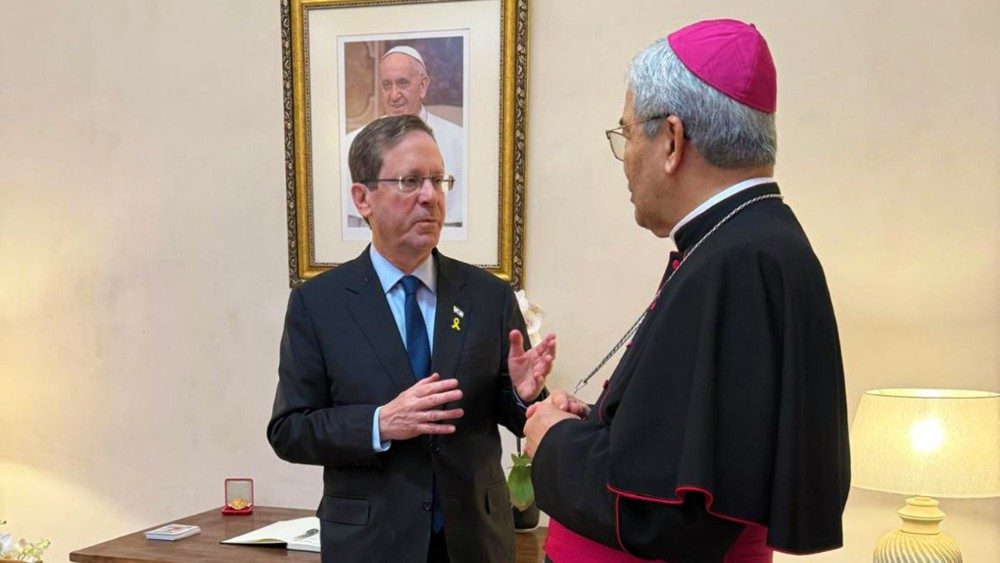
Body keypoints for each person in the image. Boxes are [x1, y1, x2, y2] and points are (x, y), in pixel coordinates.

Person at [523, 19, 850, 563]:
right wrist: (601, 423)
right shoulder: (745, 242)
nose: (625, 158)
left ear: (672, 141)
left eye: (627, 134)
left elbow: (667, 518)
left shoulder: (737, 263)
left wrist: (554, 440)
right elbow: (693, 446)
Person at [270, 114, 555, 562]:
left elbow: (519, 416)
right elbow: (290, 430)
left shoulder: (488, 296)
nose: (430, 196)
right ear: (363, 198)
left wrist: (524, 395)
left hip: (474, 543)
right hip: (371, 545)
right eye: (410, 181)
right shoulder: (319, 304)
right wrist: (379, 423)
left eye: (438, 181)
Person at [345, 46, 465, 230]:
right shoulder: (351, 143)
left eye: (402, 83)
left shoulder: (460, 142)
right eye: (387, 85)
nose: (394, 95)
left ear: (423, 86)